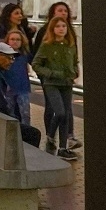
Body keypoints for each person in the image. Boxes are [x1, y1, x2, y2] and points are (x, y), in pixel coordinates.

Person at [0, 3, 35, 129]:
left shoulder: (24, 30)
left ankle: (25, 139)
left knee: (24, 113)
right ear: (8, 15)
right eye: (16, 13)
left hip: (21, 78)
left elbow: (28, 50)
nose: (20, 16)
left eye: (21, 13)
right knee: (9, 110)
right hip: (6, 77)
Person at [34, 10, 80, 158]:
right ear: (52, 29)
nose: (61, 29)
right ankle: (50, 136)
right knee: (59, 112)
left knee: (65, 115)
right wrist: (50, 73)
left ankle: (62, 148)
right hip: (51, 83)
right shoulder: (47, 46)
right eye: (58, 26)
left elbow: (75, 61)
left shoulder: (70, 45)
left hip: (67, 83)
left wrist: (75, 71)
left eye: (64, 26)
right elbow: (36, 64)